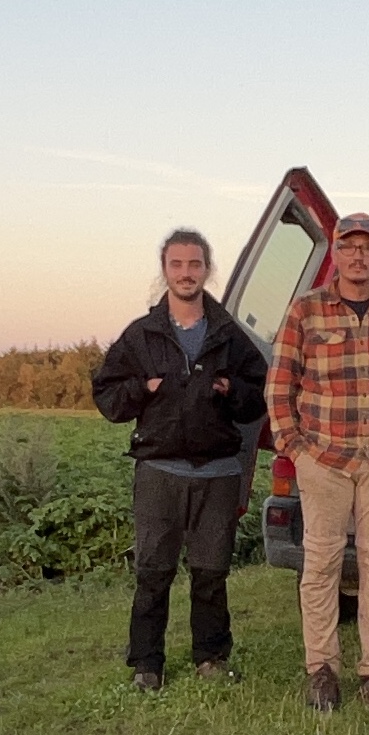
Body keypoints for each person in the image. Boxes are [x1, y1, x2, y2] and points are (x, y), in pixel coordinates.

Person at [92, 228, 269, 690]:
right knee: (153, 573)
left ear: (207, 269)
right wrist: (141, 389)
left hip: (218, 471)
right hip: (159, 470)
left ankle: (210, 658)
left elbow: (260, 396)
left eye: (194, 264)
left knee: (211, 572)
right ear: (165, 269)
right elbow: (107, 396)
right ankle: (147, 665)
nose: (186, 273)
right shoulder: (142, 335)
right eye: (177, 264)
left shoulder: (230, 335)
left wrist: (234, 392)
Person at [267, 212, 369, 711]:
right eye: (349, 247)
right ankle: (321, 670)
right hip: (324, 459)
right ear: (336, 253)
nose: (359, 256)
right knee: (321, 566)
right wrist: (294, 448)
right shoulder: (306, 310)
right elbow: (280, 384)